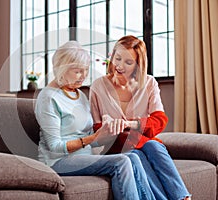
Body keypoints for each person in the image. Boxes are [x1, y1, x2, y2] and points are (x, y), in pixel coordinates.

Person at [35, 40, 156, 200]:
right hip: (58, 161)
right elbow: (55, 147)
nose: (84, 76)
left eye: (85, 70)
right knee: (121, 162)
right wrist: (93, 138)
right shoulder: (48, 98)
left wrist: (108, 131)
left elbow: (92, 140)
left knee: (132, 156)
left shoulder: (79, 95)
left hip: (83, 157)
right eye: (78, 71)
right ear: (62, 69)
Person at [90, 35, 191, 200]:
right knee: (136, 155)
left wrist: (129, 124)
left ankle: (183, 197)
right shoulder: (98, 86)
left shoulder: (149, 83)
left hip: (144, 143)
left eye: (128, 62)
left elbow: (159, 120)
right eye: (117, 58)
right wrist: (109, 128)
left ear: (138, 65)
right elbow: (96, 129)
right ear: (112, 56)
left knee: (154, 147)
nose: (119, 66)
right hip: (115, 148)